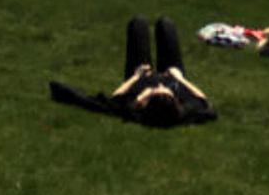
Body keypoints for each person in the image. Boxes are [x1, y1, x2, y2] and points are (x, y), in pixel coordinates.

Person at [49, 16, 215, 128]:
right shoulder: (185, 109)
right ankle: (164, 31)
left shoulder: (132, 108)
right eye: (164, 91)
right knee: (166, 24)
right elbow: (203, 100)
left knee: (138, 24)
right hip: (173, 75)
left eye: (154, 92)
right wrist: (179, 78)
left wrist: (136, 77)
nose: (158, 87)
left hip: (141, 74)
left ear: (145, 103)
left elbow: (115, 98)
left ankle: (142, 33)